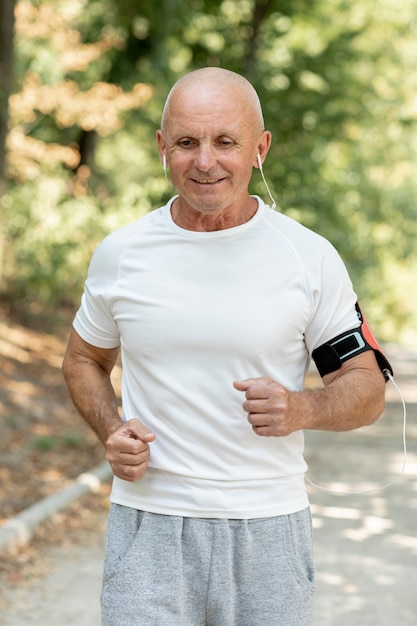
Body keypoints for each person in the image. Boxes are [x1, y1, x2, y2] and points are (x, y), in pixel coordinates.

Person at [62, 67, 387, 626]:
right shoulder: (123, 253)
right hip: (149, 526)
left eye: (225, 142)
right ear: (163, 148)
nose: (205, 161)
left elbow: (368, 387)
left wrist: (302, 407)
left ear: (259, 148)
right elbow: (83, 359)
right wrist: (110, 430)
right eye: (187, 142)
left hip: (269, 529)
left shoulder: (307, 257)